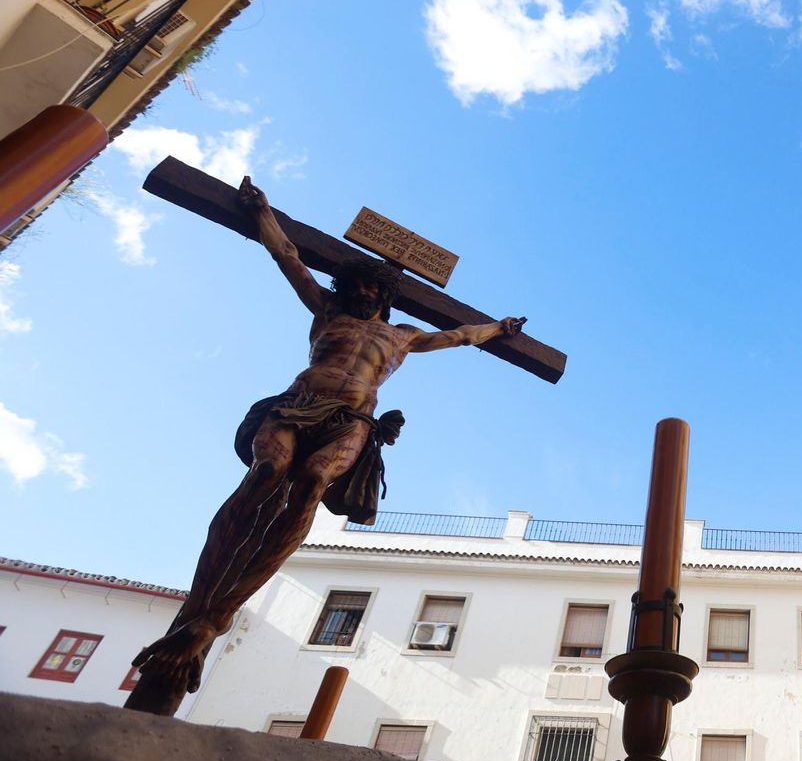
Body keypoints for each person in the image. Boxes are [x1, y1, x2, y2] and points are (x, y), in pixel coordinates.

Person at [125, 176, 524, 715]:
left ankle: (212, 622)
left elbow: (460, 337)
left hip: (352, 418)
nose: (360, 293)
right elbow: (289, 257)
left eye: (370, 289)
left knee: (310, 485)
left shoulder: (402, 336)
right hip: (298, 404)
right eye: (354, 286)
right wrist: (263, 211)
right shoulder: (326, 314)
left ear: (383, 296)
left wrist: (498, 328)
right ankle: (198, 606)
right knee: (267, 473)